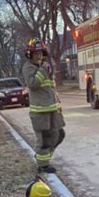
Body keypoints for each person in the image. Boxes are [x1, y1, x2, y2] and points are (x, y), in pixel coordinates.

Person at [21, 38, 65, 174]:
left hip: (53, 109)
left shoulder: (44, 66)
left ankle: (43, 158)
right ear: (30, 54)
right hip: (40, 112)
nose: (38, 56)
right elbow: (33, 84)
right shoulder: (28, 67)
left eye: (40, 53)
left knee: (59, 134)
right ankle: (43, 165)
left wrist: (58, 102)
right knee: (45, 139)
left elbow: (51, 88)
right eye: (35, 53)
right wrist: (42, 71)